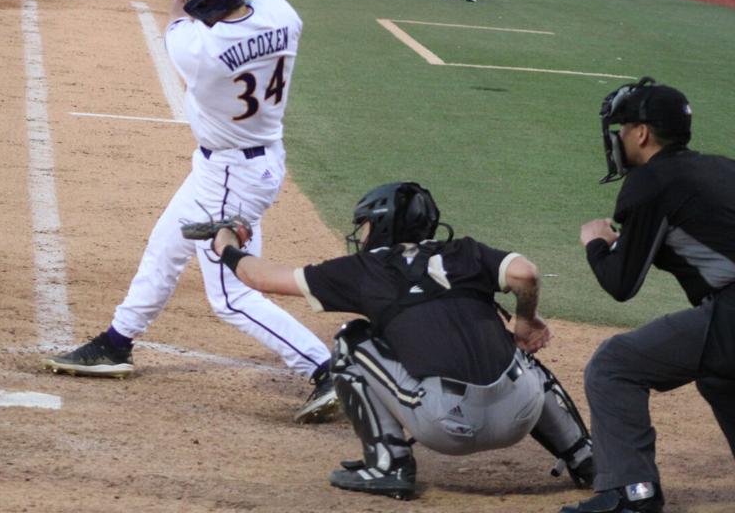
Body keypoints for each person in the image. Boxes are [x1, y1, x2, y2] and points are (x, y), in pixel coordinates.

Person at [44, 0, 341, 427]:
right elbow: (247, 4)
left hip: (231, 177)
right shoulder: (283, 15)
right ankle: (117, 341)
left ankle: (324, 367)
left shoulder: (201, 52)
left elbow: (178, 14)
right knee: (166, 244)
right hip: (246, 162)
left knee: (231, 295)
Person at [193, 181, 595, 499]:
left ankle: (389, 464)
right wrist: (525, 321)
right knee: (519, 355)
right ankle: (586, 457)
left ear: (381, 224)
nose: (361, 231)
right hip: (520, 413)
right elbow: (525, 273)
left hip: (448, 426)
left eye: (365, 223)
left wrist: (225, 243)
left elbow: (259, 278)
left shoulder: (365, 269)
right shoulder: (465, 252)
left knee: (351, 342)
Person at [564, 77, 735, 513]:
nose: (618, 138)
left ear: (641, 133)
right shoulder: (721, 167)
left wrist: (596, 241)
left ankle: (630, 494)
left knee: (614, 365)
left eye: (622, 129)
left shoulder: (650, 182)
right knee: (720, 375)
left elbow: (621, 284)